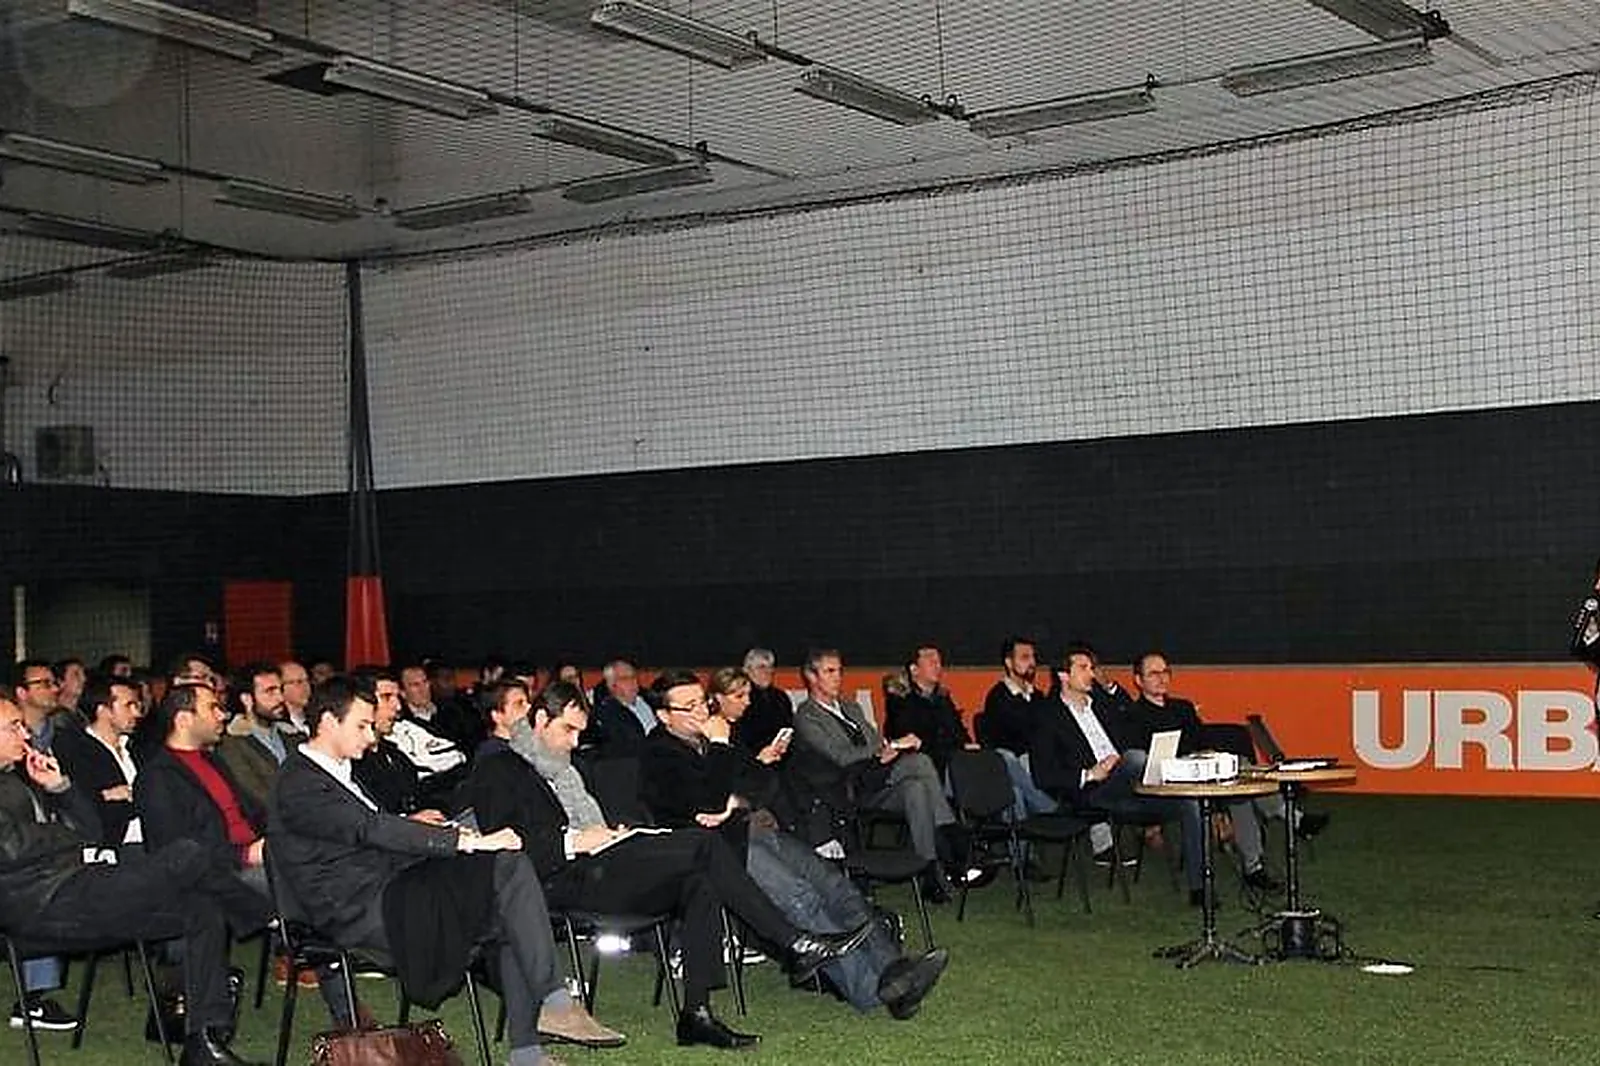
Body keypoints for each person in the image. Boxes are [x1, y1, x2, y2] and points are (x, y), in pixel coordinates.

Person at [465, 679, 877, 1050]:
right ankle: (792, 943)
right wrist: (573, 840)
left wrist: (608, 832)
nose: (575, 743)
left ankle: (696, 1014)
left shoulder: (563, 769)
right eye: (567, 731)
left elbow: (756, 783)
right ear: (539, 719)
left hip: (603, 859)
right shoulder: (501, 768)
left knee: (700, 878)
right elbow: (507, 848)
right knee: (703, 846)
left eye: (580, 732)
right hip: (557, 880)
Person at [268, 677, 622, 1065]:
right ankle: (552, 1007)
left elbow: (371, 830)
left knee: (506, 894)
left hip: (391, 888)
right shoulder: (299, 781)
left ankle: (530, 1049)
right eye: (362, 726)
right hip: (358, 910)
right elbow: (368, 829)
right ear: (327, 723)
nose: (371, 737)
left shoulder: (335, 772)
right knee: (503, 867)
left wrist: (448, 836)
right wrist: (464, 842)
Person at [641, 669, 949, 1019]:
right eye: (690, 706)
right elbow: (705, 805)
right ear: (664, 716)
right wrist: (722, 756)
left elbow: (762, 782)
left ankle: (896, 973)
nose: (701, 711)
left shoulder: (711, 741)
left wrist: (733, 800)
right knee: (801, 898)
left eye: (703, 702)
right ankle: (869, 989)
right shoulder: (660, 756)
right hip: (714, 852)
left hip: (750, 830)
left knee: (836, 886)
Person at [0, 695, 266, 1066]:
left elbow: (92, 831)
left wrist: (60, 787)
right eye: (13, 726)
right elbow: (10, 849)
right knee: (186, 853)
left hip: (76, 885)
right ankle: (261, 914)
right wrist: (60, 836)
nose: (25, 731)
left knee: (200, 907)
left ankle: (203, 1042)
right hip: (38, 905)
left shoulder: (23, 776)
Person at [1029, 644, 1209, 904]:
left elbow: (1131, 716)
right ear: (1063, 676)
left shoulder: (1102, 705)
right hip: (1094, 792)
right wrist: (1090, 774)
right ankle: (1163, 774)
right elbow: (1043, 775)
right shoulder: (1048, 716)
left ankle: (1199, 889)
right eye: (1083, 668)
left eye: (1091, 668)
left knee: (1189, 801)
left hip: (1131, 785)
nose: (1091, 674)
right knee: (1136, 758)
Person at [790, 649, 964, 901]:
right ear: (811, 676)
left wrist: (885, 750)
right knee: (919, 762)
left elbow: (873, 741)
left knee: (917, 787)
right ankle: (950, 836)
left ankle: (929, 869)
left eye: (839, 671)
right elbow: (839, 756)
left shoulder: (850, 707)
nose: (837, 677)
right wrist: (886, 748)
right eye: (829, 671)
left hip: (878, 778)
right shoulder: (806, 716)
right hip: (849, 787)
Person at [1128, 652, 1285, 891]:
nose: (1161, 678)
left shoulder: (1183, 707)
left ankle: (1254, 866)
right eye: (1153, 673)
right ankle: (1289, 819)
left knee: (1238, 777)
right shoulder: (1133, 716)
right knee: (1239, 787)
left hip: (1201, 770)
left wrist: (1209, 755)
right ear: (1138, 680)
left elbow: (1202, 740)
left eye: (1165, 672)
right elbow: (1144, 759)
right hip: (1168, 782)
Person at [52, 672, 145, 846]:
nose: (136, 713)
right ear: (103, 710)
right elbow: (84, 805)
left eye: (137, 705)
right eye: (129, 705)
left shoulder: (138, 748)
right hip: (112, 849)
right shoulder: (76, 751)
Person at [216, 663, 305, 810]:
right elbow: (256, 795)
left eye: (281, 690)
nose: (280, 698)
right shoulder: (231, 743)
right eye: (270, 691)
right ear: (247, 699)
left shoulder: (294, 736)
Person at [883, 645, 972, 776]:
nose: (938, 667)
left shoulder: (943, 699)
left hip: (952, 757)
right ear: (914, 670)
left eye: (939, 662)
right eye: (932, 662)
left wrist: (966, 745)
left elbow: (958, 732)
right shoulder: (900, 701)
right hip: (925, 763)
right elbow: (909, 741)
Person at [579, 659, 656, 757]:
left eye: (634, 676)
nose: (633, 681)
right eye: (625, 678)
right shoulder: (605, 714)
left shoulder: (651, 700)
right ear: (612, 685)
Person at [734, 649, 794, 753]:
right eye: (761, 667)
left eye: (770, 667)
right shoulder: (740, 698)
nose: (768, 672)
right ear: (747, 670)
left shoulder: (780, 697)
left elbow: (789, 727)